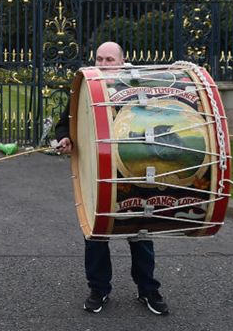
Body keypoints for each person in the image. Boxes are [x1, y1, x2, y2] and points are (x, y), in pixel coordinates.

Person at [53, 41, 169, 316]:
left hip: (135, 171)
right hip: (98, 172)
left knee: (140, 231)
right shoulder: (85, 87)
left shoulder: (137, 87)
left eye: (109, 59)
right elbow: (63, 123)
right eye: (99, 59)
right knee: (95, 233)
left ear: (122, 61)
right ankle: (99, 288)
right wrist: (64, 138)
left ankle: (148, 289)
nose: (103, 64)